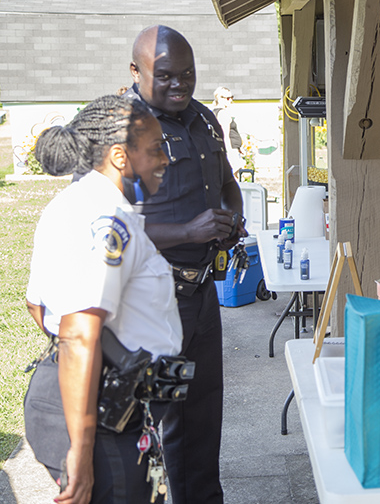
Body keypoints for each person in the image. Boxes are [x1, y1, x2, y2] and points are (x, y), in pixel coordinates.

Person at [24, 95, 183, 503]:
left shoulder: (76, 204)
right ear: (119, 156)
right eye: (154, 149)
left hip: (118, 402)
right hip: (99, 416)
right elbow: (78, 333)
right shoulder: (106, 219)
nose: (165, 158)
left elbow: (38, 306)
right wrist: (81, 448)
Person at [125, 25, 245, 504]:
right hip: (154, 302)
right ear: (136, 71)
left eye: (188, 75)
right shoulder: (122, 129)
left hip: (200, 299)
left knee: (201, 415)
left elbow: (228, 182)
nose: (180, 85)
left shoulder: (204, 120)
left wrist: (232, 215)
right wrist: (187, 233)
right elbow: (103, 227)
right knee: (163, 420)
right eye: (166, 76)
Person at [212, 86, 244, 169]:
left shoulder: (214, 113)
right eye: (228, 98)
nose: (231, 100)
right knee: (235, 177)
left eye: (231, 97)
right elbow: (224, 135)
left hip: (232, 149)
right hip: (231, 150)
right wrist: (230, 155)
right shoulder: (222, 114)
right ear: (220, 98)